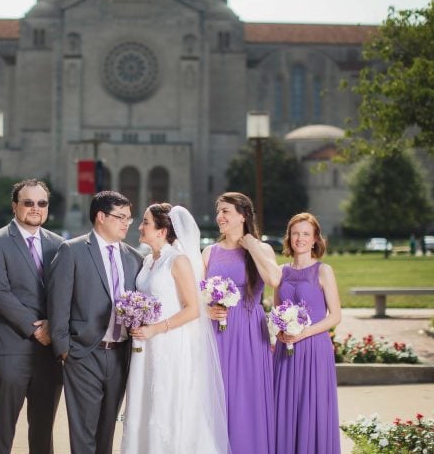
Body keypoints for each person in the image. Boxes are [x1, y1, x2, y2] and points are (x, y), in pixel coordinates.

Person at [121, 204, 229, 453]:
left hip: (169, 343)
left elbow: (193, 309)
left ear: (161, 231)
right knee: (143, 402)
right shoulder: (148, 260)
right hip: (144, 345)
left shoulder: (177, 261)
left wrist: (156, 329)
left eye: (145, 222)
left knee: (167, 404)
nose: (140, 226)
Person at [47, 190, 144, 454]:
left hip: (121, 355)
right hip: (83, 353)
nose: (126, 223)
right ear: (101, 216)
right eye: (120, 217)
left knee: (107, 431)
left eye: (129, 218)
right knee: (83, 432)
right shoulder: (73, 250)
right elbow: (58, 303)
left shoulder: (134, 258)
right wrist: (64, 348)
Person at [0, 179, 64, 454]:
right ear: (15, 205)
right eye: (28, 202)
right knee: (4, 423)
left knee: (43, 426)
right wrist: (36, 329)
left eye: (41, 203)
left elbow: (65, 292)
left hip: (50, 350)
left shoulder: (59, 244)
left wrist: (54, 327)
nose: (35, 208)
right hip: (12, 346)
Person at [202, 192, 280, 454]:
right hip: (215, 333)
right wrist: (207, 310)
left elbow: (273, 280)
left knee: (247, 399)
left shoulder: (261, 248)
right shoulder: (209, 251)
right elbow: (195, 296)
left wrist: (252, 246)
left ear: (242, 216)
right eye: (218, 211)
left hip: (249, 333)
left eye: (225, 211)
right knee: (217, 396)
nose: (219, 217)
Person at [273, 212, 342, 453]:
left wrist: (303, 333)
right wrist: (280, 333)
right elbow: (275, 311)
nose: (300, 238)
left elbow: (335, 316)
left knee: (311, 407)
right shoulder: (280, 272)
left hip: (314, 349)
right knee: (284, 408)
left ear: (315, 240)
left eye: (305, 234)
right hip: (285, 350)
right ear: (289, 238)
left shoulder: (324, 271)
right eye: (295, 233)